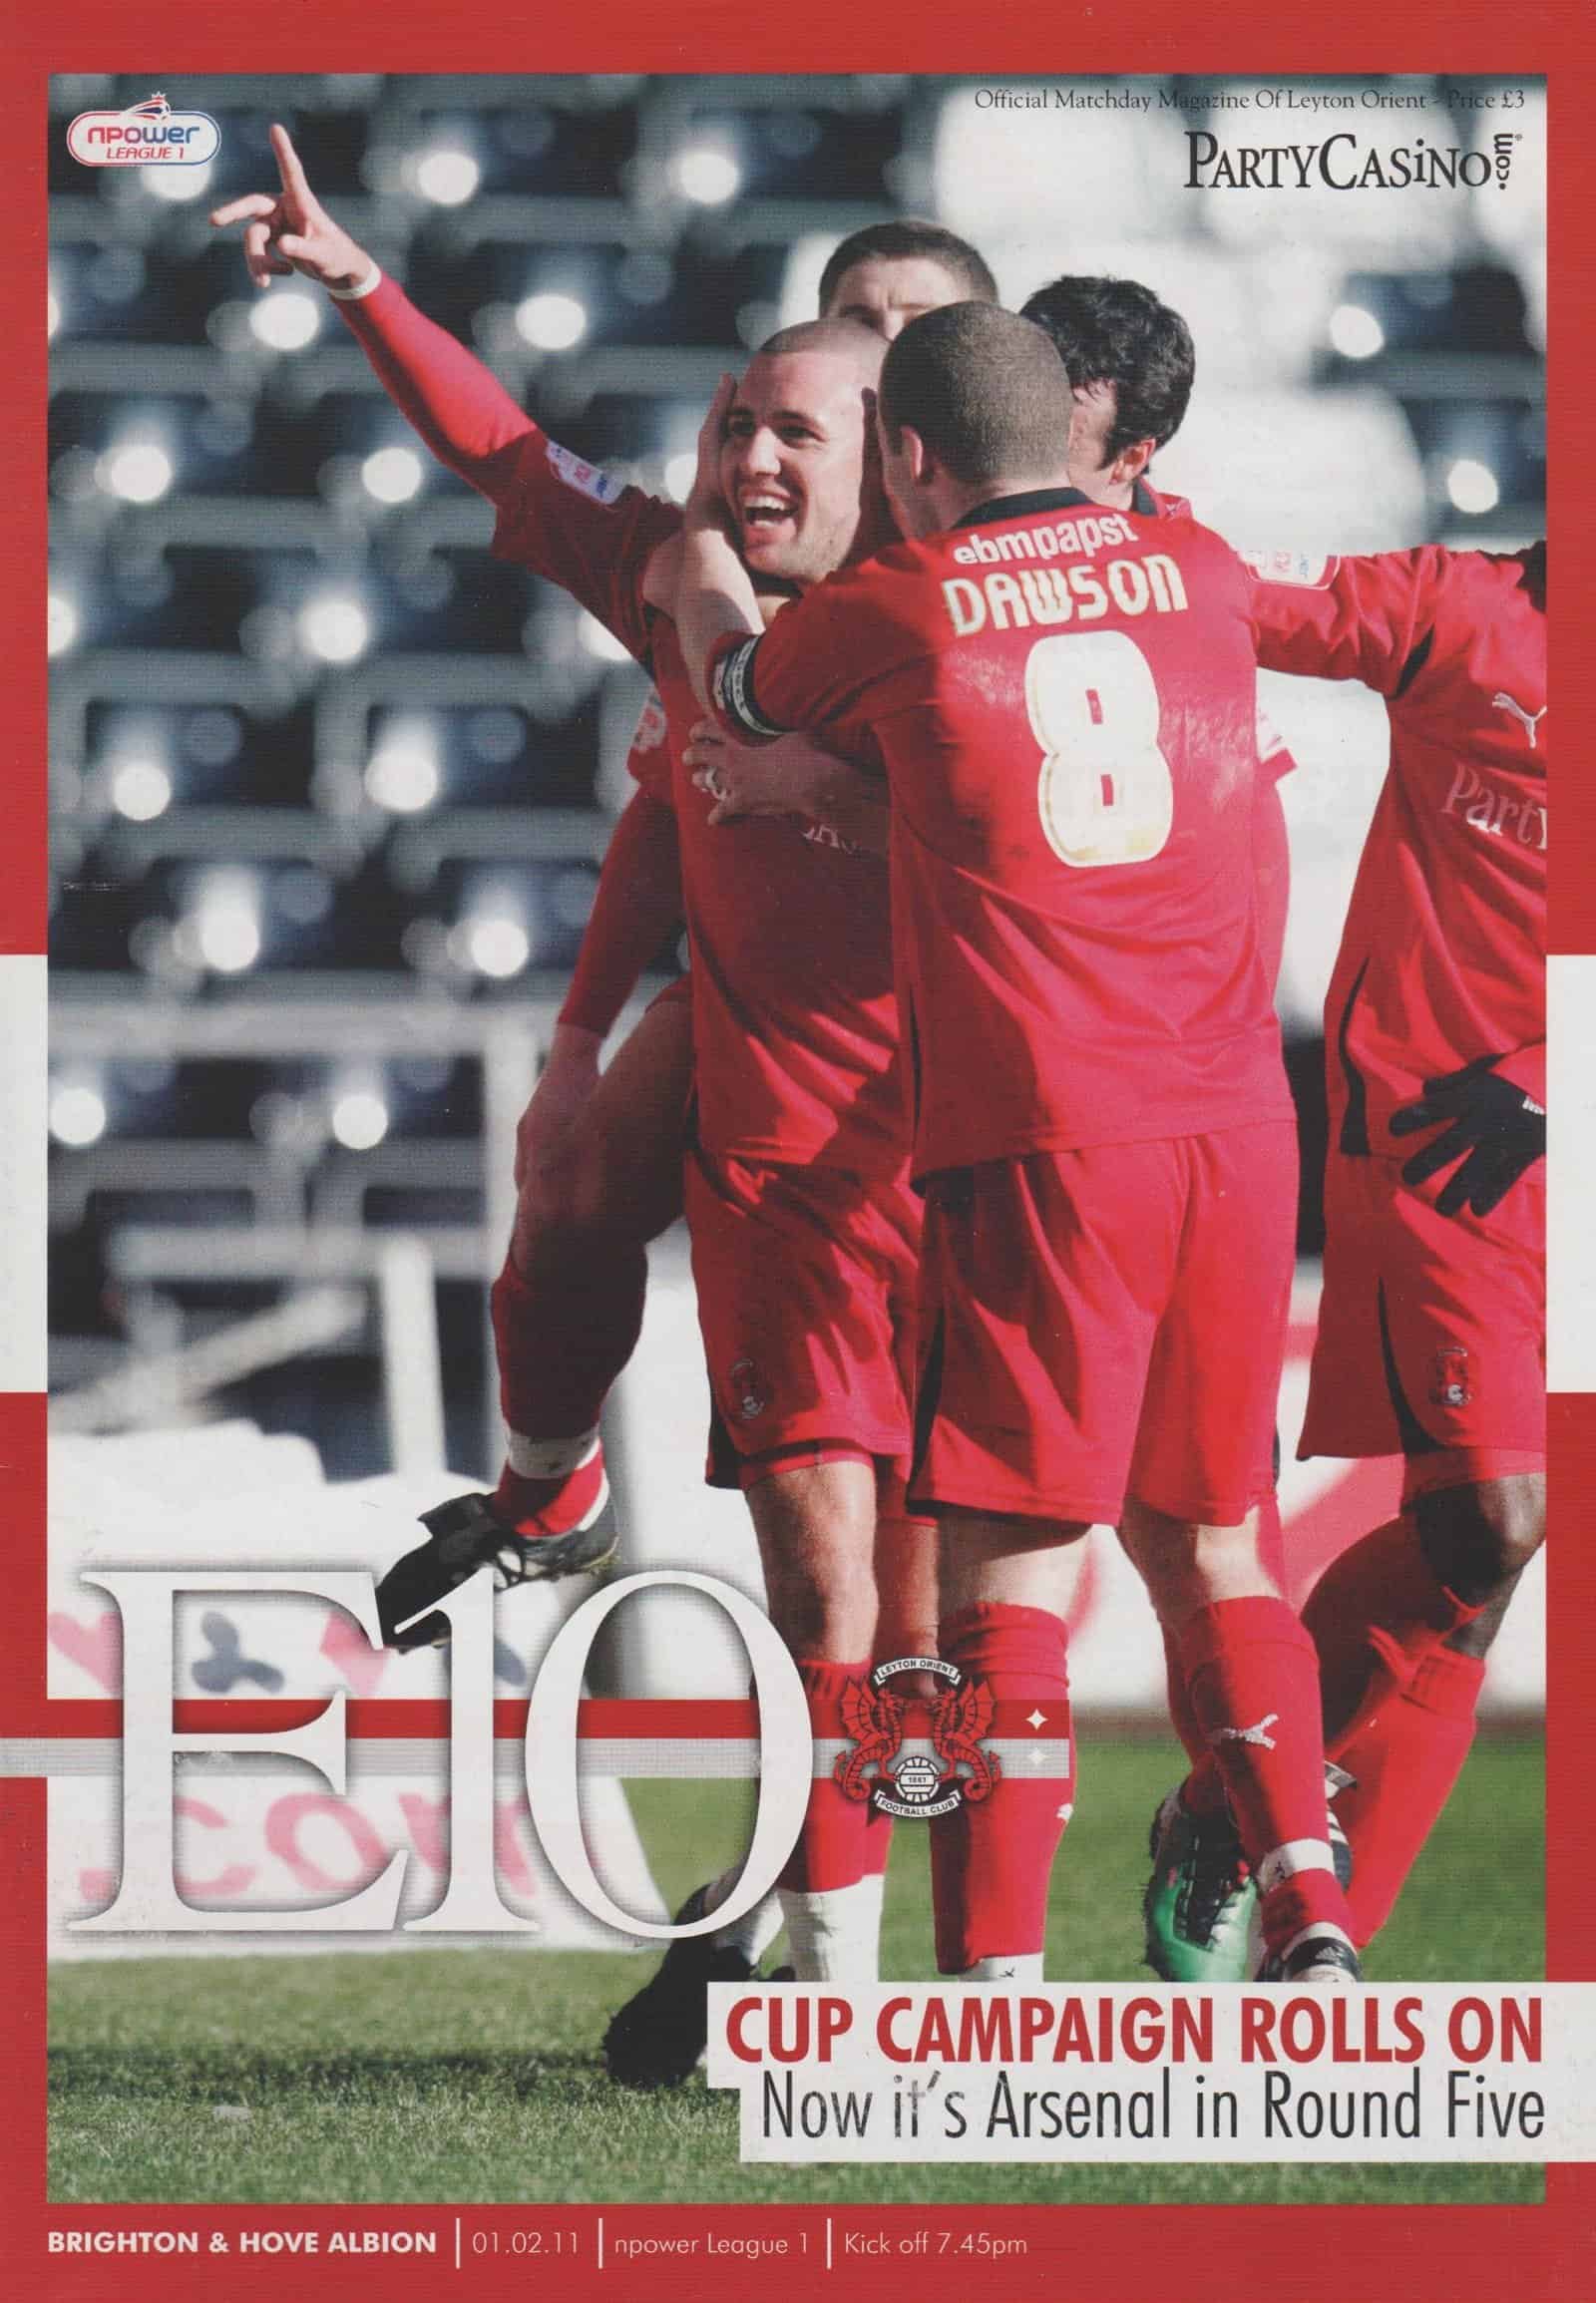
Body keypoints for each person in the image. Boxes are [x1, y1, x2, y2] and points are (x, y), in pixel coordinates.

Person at [212, 140, 956, 2057]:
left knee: (933, 1622)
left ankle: (822, 1937)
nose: (761, 446)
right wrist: (365, 284)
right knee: (815, 1558)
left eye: (886, 358)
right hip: (796, 1118)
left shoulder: (993, 608)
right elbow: (522, 472)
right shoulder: (699, 570)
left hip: (982, 1144)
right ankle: (556, 1498)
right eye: (777, 387)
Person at [673, 301, 1361, 1986]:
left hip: (1049, 1138)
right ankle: (1313, 1911)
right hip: (1241, 1126)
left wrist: (696, 568)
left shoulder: (901, 599)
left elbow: (742, 692)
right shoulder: (1196, 567)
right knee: (1217, 1543)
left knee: (1011, 1577)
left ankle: (994, 1992)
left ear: (904, 453)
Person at [1144, 542, 1546, 1976]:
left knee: (1479, 1586)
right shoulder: (1461, 612)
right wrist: (1107, 520)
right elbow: (1249, 606)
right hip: (1454, 1147)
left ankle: (1303, 1955)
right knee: (1490, 1521)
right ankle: (1233, 1809)